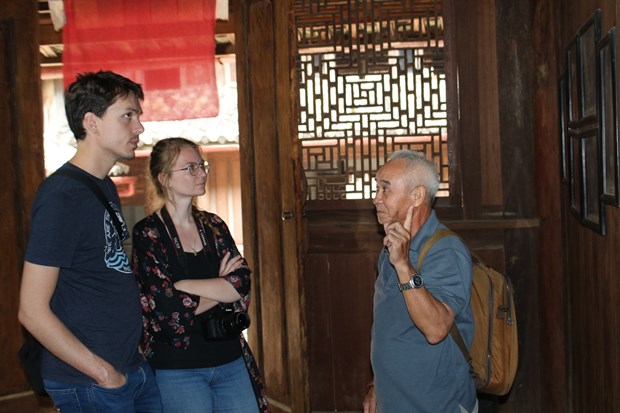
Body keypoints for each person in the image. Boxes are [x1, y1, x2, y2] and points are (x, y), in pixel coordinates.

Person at [18, 71, 162, 412]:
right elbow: (31, 311)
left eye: (138, 115)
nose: (139, 127)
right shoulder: (62, 196)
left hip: (130, 366)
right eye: (128, 115)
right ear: (91, 122)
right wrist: (103, 373)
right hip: (92, 381)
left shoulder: (103, 186)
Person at [132, 137, 269, 413]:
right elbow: (166, 308)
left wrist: (184, 286)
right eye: (191, 168)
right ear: (165, 178)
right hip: (179, 368)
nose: (202, 173)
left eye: (202, 166)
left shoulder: (214, 225)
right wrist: (220, 287)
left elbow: (241, 282)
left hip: (230, 358)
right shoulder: (148, 233)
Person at [363, 150, 478, 413]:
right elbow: (388, 328)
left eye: (385, 189)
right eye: (377, 188)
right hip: (393, 400)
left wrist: (403, 264)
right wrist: (376, 385)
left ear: (417, 195)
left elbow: (436, 329)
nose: (376, 198)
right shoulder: (391, 247)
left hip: (435, 404)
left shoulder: (446, 250)